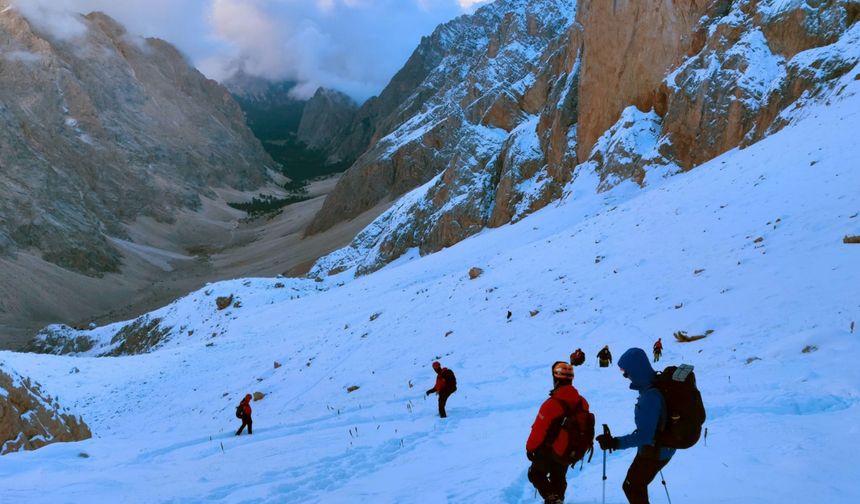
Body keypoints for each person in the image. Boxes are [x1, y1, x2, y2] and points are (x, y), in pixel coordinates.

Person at [596, 348, 675, 504]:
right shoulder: (653, 385)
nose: (626, 376)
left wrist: (615, 442)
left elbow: (645, 436)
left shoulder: (650, 396)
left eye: (626, 372)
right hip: (658, 448)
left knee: (631, 486)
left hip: (655, 451)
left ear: (637, 370)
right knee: (636, 485)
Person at [526, 361, 591, 504]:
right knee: (559, 476)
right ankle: (558, 499)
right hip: (569, 449)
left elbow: (538, 430)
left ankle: (553, 499)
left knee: (535, 474)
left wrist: (530, 449)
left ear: (555, 378)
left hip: (550, 450)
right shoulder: (582, 402)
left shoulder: (551, 404)